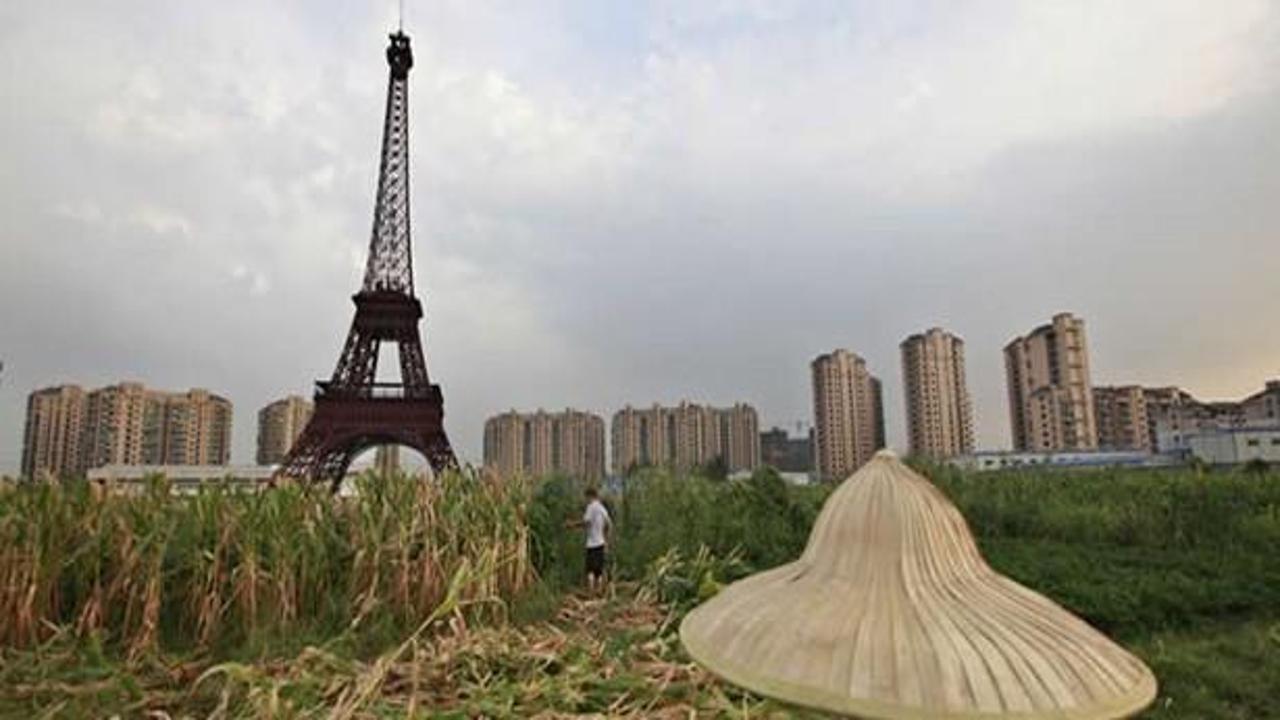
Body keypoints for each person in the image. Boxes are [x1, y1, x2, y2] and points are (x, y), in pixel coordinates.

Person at [568, 487, 612, 593]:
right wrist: (607, 539)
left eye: (586, 497)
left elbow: (586, 522)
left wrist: (572, 525)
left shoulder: (591, 507)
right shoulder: (602, 508)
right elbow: (609, 524)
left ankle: (591, 593)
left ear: (590, 496)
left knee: (590, 570)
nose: (586, 500)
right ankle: (599, 592)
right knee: (599, 571)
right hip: (601, 543)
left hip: (592, 544)